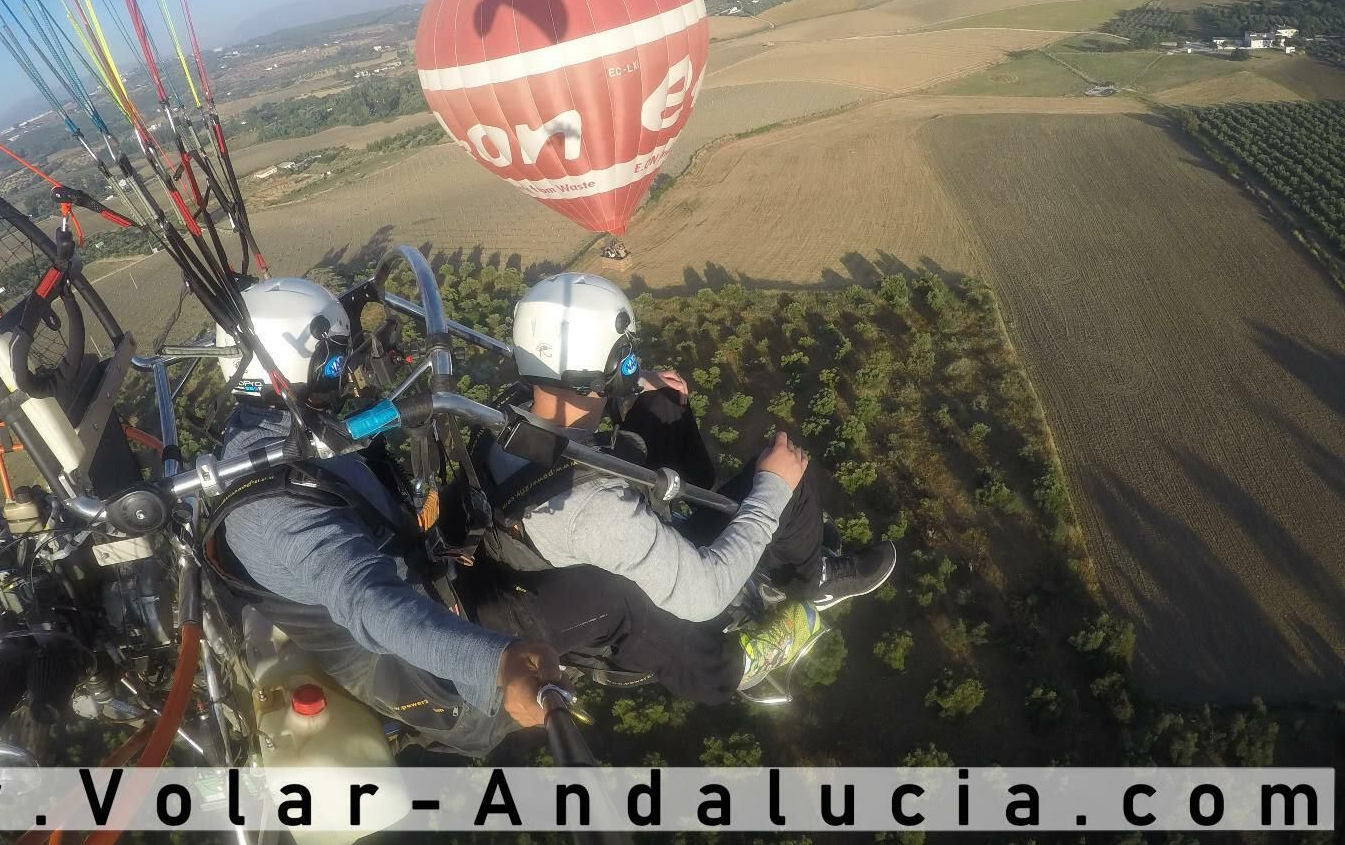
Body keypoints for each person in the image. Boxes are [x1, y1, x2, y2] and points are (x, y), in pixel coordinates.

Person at [469, 272, 896, 699]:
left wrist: (635, 382)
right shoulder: (593, 511)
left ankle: (707, 506)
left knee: (663, 402)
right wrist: (772, 489)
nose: (632, 362)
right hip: (652, 567)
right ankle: (811, 581)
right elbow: (705, 594)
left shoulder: (504, 412)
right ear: (600, 371)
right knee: (789, 482)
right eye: (626, 356)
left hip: (562, 522)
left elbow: (569, 388)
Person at [203, 277, 560, 756]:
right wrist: (496, 664)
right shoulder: (282, 513)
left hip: (408, 564)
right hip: (407, 654)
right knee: (587, 622)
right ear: (289, 368)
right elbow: (371, 604)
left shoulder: (271, 425)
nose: (344, 370)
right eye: (335, 361)